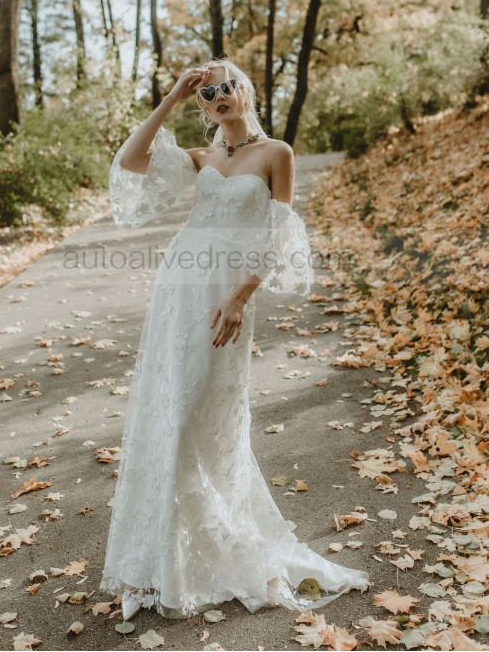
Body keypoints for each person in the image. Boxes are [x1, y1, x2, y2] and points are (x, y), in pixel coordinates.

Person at [100, 58, 370, 621]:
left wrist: (241, 297)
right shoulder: (199, 158)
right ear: (203, 106)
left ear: (246, 92)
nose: (218, 96)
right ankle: (154, 567)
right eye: (209, 92)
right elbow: (129, 160)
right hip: (180, 288)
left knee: (211, 418)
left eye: (228, 87)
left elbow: (278, 237)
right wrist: (174, 93)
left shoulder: (277, 155)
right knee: (168, 413)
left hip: (228, 295)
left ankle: (237, 550)